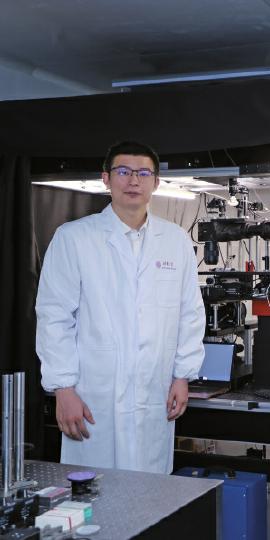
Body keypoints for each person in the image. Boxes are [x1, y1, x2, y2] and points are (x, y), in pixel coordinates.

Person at [36, 140, 206, 474]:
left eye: (143, 173)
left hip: (154, 394)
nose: (133, 181)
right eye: (124, 171)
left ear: (156, 182)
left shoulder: (175, 241)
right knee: (92, 491)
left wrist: (182, 376)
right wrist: (63, 389)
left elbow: (190, 314)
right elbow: (54, 317)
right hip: (92, 396)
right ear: (106, 178)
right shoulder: (74, 238)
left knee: (150, 492)